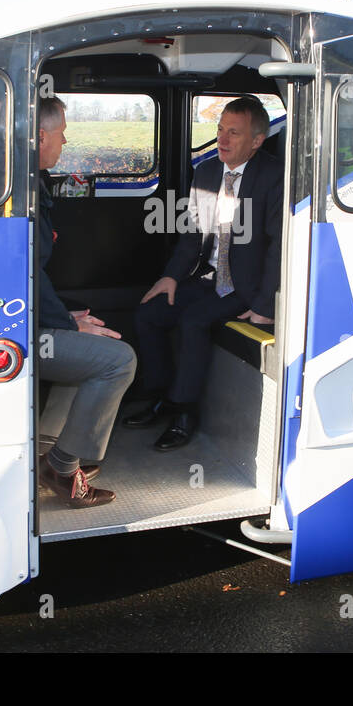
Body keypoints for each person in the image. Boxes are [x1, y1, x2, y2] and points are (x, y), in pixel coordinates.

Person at [125, 95, 283, 451]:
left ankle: (184, 412)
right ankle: (161, 396)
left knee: (193, 321)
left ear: (257, 141)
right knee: (149, 314)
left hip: (245, 287)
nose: (222, 140)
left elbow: (278, 247)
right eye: (219, 130)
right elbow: (192, 236)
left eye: (234, 133)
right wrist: (170, 277)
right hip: (209, 277)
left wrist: (264, 305)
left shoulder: (273, 177)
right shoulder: (208, 171)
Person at [35, 95, 136, 506]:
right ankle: (60, 466)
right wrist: (65, 322)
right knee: (118, 360)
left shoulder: (29, 180)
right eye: (61, 134)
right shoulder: (17, 190)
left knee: (97, 343)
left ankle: (55, 453)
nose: (65, 141)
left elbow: (31, 276)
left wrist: (64, 314)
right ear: (41, 137)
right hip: (12, 329)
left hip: (26, 316)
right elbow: (22, 275)